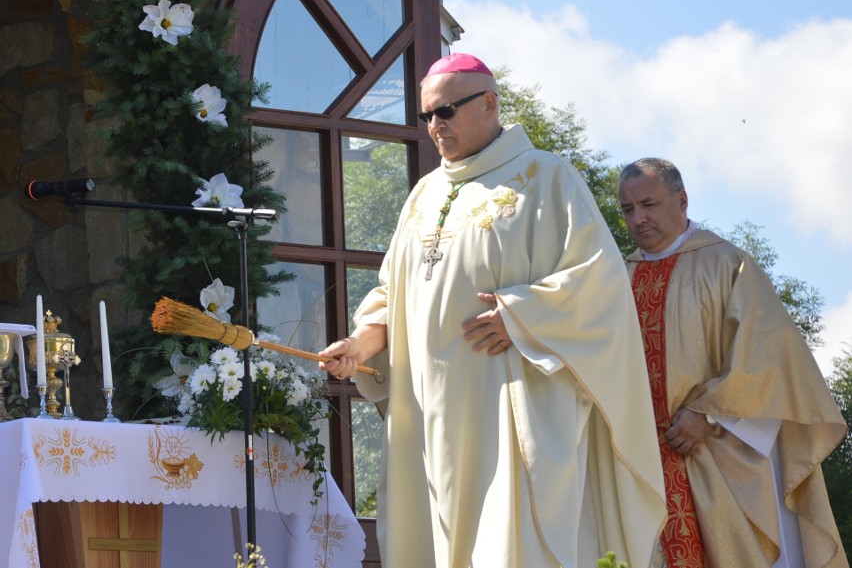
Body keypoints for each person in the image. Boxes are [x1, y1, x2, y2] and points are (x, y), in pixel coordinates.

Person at [319, 53, 666, 568]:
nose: (435, 126)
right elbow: (395, 291)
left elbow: (599, 279)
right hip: (427, 412)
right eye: (426, 117)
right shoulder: (422, 194)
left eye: (447, 111)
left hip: (509, 403)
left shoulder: (547, 177)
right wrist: (362, 343)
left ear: (489, 104)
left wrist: (523, 316)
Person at [618, 157, 848, 568]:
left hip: (715, 454)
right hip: (641, 464)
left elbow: (772, 357)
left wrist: (708, 414)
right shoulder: (619, 278)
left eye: (649, 204)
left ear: (682, 199)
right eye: (628, 209)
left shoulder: (726, 264)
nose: (639, 219)